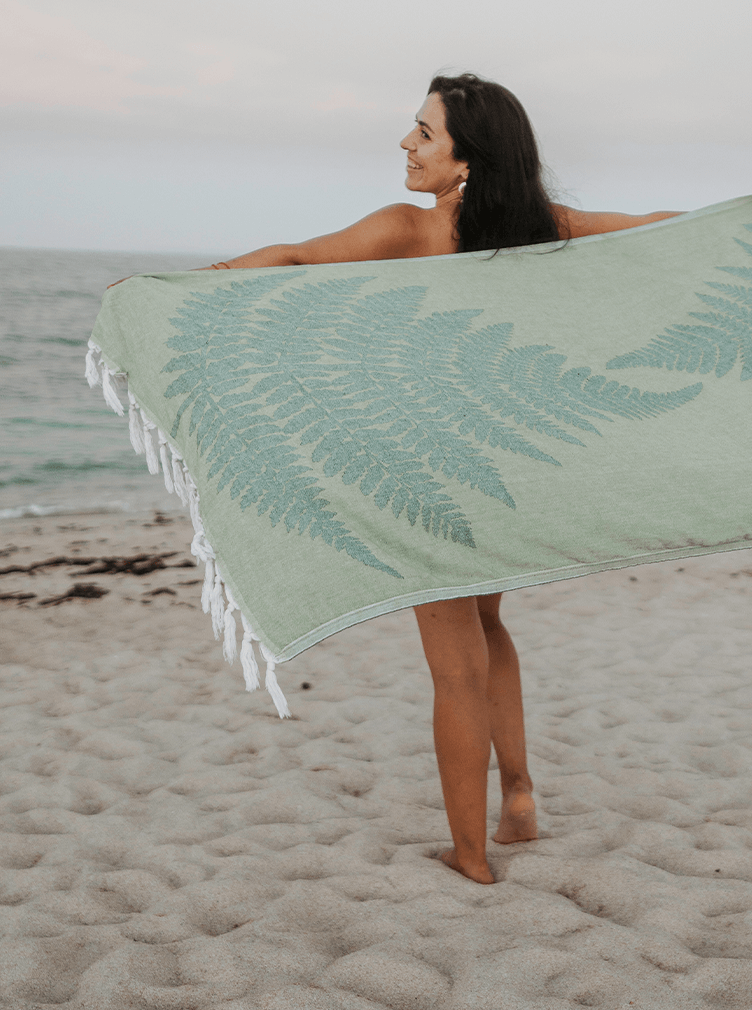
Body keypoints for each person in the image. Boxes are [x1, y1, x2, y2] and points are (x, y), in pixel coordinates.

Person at [202, 73, 683, 883]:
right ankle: (519, 796)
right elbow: (654, 230)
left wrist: (178, 291)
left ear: (468, 160)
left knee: (455, 667)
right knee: (489, 631)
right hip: (510, 475)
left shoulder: (408, 230)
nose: (406, 144)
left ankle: (470, 858)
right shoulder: (543, 230)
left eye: (423, 134)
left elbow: (289, 260)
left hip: (432, 478)